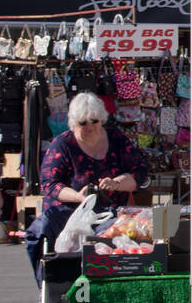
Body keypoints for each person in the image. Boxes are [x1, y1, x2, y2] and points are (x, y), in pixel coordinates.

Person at [25, 90, 149, 286]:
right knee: (39, 231)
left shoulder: (116, 138)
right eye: (83, 123)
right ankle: (50, 285)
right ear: (74, 123)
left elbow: (139, 173)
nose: (90, 127)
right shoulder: (62, 144)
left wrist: (116, 183)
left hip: (111, 213)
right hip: (69, 213)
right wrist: (78, 196)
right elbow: (50, 184)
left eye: (95, 121)